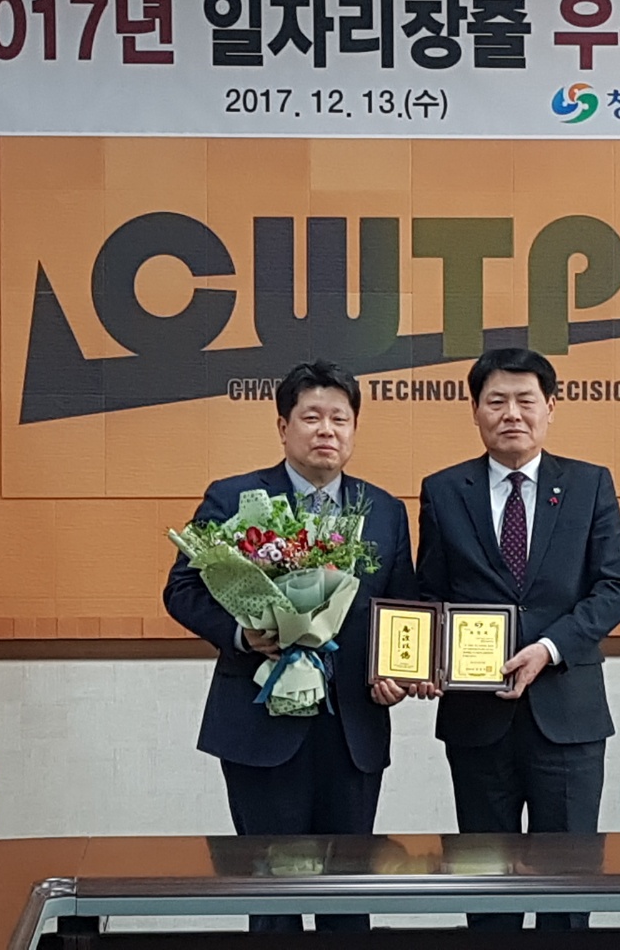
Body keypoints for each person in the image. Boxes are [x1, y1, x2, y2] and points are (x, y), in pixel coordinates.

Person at [163, 360, 423, 933]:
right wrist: (243, 635)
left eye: (339, 418)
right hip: (260, 728)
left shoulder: (384, 510)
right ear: (283, 427)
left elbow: (400, 607)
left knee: (348, 900)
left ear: (354, 428)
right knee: (271, 897)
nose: (326, 430)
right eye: (311, 417)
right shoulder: (235, 498)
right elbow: (181, 591)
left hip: (352, 729)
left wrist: (398, 673)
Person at [417, 347, 620, 931]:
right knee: (486, 885)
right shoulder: (443, 490)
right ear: (475, 410)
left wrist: (549, 648)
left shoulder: (589, 484)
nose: (511, 413)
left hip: (567, 718)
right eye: (496, 401)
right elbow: (430, 595)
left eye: (525, 400)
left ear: (551, 407)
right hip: (476, 717)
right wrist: (422, 656)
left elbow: (617, 586)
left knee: (566, 885)